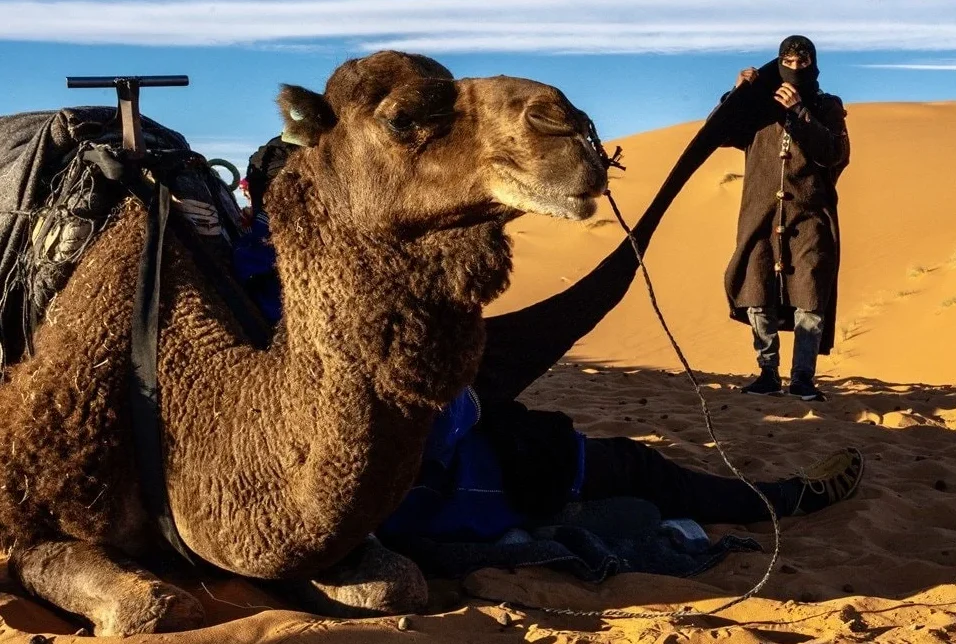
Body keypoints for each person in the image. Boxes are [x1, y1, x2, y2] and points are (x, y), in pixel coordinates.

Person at [237, 124, 863, 548]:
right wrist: (469, 396)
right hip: (438, 489)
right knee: (632, 468)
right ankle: (784, 499)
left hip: (440, 461)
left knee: (591, 453)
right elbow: (374, 424)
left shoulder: (238, 280)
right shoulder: (296, 293)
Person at [722, 35, 850, 402]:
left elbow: (835, 153)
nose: (795, 69)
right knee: (757, 290)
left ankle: (802, 379)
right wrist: (737, 94)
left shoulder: (826, 106)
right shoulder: (758, 108)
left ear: (813, 65)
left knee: (810, 295)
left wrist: (799, 113)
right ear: (779, 63)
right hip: (760, 215)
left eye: (802, 62)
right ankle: (767, 373)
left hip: (810, 217)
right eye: (788, 62)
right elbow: (722, 132)